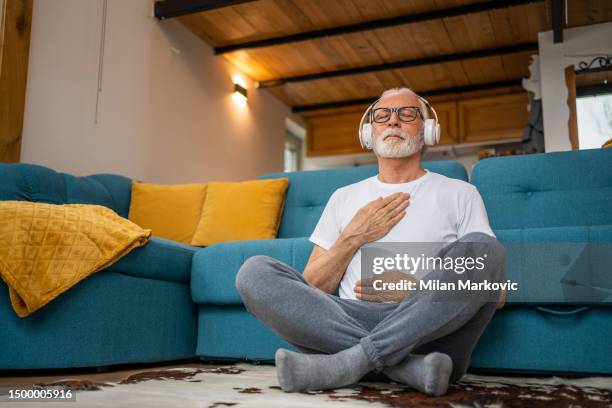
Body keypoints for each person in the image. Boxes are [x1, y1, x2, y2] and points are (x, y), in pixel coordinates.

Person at [236, 87, 506, 396]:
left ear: (428, 130)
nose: (393, 122)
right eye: (382, 115)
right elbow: (312, 287)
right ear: (369, 132)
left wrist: (416, 290)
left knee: (488, 250)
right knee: (253, 273)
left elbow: (495, 294)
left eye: (407, 114)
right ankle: (405, 368)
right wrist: (354, 236)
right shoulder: (343, 198)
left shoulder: (460, 194)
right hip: (354, 320)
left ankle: (349, 363)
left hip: (431, 331)